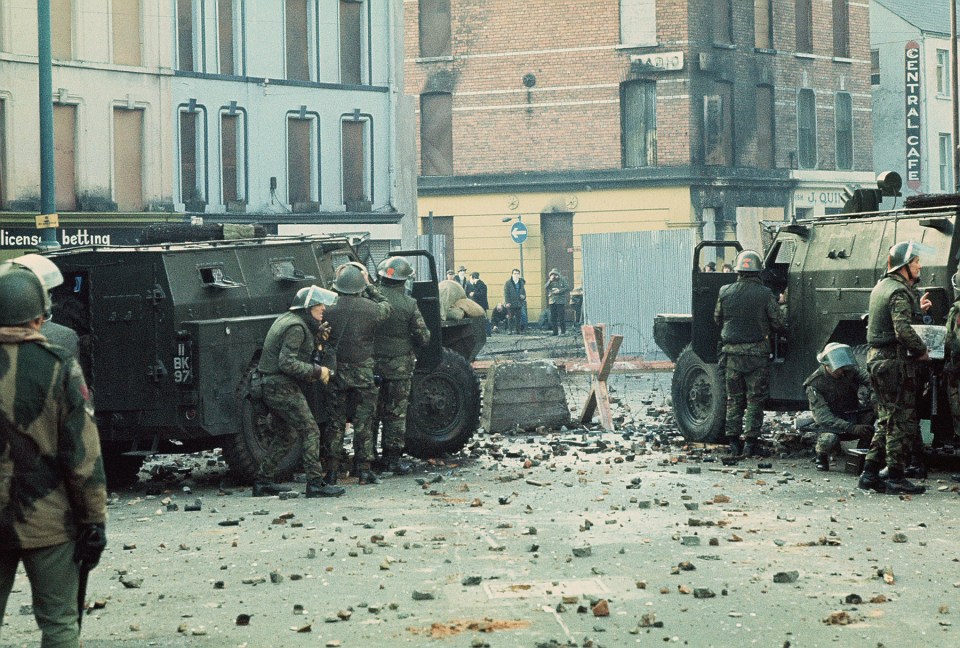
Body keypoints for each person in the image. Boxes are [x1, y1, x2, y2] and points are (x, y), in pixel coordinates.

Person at [0, 267, 107, 646]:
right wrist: (94, 521)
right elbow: (83, 455)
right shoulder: (58, 364)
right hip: (49, 520)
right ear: (38, 318)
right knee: (60, 623)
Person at [253, 285, 344, 498]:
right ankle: (315, 484)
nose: (323, 309)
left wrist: (317, 336)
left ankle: (263, 481)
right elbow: (287, 363)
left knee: (286, 433)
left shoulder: (290, 320)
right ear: (306, 308)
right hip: (280, 386)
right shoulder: (296, 327)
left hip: (271, 384)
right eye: (318, 306)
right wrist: (318, 370)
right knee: (310, 430)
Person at [858, 241, 933, 495]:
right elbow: (901, 330)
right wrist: (922, 349)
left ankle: (869, 473)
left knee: (886, 418)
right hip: (894, 363)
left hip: (878, 360)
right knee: (900, 419)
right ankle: (896, 476)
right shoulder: (899, 292)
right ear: (904, 267)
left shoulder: (882, 287)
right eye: (915, 262)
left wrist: (915, 309)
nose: (919, 266)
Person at [323, 264, 392, 486]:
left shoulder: (328, 308)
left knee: (336, 423)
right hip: (363, 372)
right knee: (364, 423)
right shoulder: (371, 309)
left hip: (337, 373)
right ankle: (363, 471)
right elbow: (386, 306)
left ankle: (332, 472)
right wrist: (370, 286)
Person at [714, 250, 787, 458]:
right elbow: (778, 323)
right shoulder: (765, 294)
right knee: (755, 400)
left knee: (734, 399)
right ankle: (750, 444)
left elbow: (718, 318)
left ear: (738, 270)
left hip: (731, 355)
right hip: (757, 355)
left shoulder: (725, 291)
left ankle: (733, 443)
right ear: (758, 271)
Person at [373, 257, 431, 475]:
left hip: (370, 365)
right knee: (395, 414)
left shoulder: (369, 299)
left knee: (371, 413)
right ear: (404, 280)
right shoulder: (409, 304)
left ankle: (367, 459)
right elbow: (424, 337)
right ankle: (392, 460)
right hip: (399, 367)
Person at [802, 343, 875, 471]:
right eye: (838, 369)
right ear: (826, 365)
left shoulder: (849, 371)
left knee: (869, 423)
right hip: (832, 424)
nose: (842, 372)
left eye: (843, 368)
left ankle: (860, 456)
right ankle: (821, 456)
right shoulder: (815, 384)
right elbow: (823, 417)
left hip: (852, 415)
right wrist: (851, 428)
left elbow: (870, 379)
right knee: (829, 439)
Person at [545, 268, 570, 336]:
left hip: (560, 301)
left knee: (561, 317)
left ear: (558, 275)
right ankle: (555, 331)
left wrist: (559, 290)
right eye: (552, 275)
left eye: (555, 274)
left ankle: (563, 332)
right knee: (553, 317)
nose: (554, 276)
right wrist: (550, 280)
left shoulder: (562, 280)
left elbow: (567, 287)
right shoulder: (550, 281)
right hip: (552, 301)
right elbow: (546, 287)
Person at [503, 268, 526, 334]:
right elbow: (506, 293)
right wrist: (507, 302)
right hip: (511, 303)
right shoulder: (508, 283)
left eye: (517, 274)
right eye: (515, 273)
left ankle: (517, 330)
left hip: (519, 303)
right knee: (510, 317)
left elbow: (524, 292)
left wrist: (523, 297)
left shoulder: (521, 283)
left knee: (518, 318)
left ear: (519, 275)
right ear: (512, 274)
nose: (516, 275)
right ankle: (509, 330)